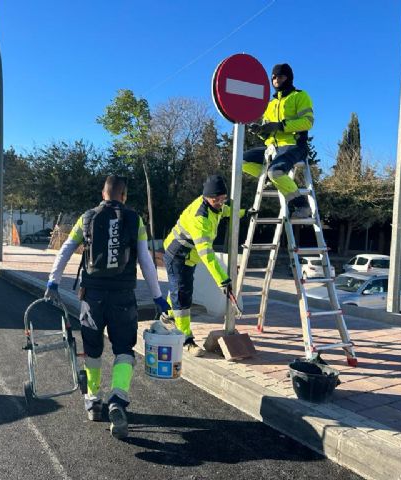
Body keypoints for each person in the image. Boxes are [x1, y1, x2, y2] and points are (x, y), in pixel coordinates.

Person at [45, 175, 169, 440]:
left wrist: (53, 281)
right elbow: (146, 261)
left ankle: (93, 400)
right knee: (124, 349)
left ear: (103, 194)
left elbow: (66, 249)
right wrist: (158, 297)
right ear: (124, 196)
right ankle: (117, 399)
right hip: (123, 297)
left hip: (92, 297)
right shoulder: (135, 220)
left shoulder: (87, 217)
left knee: (92, 350)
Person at [162, 175, 242, 357]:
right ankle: (185, 340)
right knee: (182, 295)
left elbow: (226, 211)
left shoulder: (215, 206)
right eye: (217, 199)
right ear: (206, 197)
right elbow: (207, 254)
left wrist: (244, 213)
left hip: (189, 256)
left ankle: (168, 314)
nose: (220, 203)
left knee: (179, 288)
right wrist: (223, 280)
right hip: (178, 255)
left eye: (223, 199)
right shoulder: (200, 218)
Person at [244, 63, 315, 219]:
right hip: (272, 148)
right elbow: (268, 131)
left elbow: (308, 122)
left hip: (294, 145)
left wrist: (281, 126)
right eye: (273, 77)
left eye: (280, 76)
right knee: (241, 161)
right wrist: (260, 131)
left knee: (275, 172)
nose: (276, 79)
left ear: (288, 77)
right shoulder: (270, 104)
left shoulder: (300, 96)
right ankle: (270, 178)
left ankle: (302, 205)